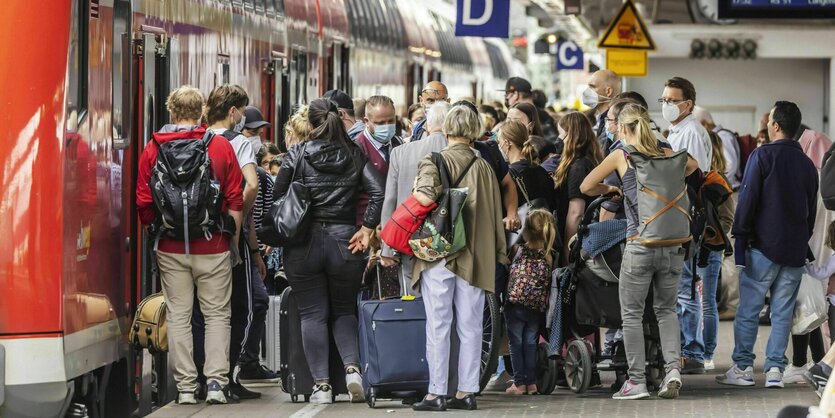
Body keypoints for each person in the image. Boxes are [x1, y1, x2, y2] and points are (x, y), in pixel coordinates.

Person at [581, 103, 698, 400]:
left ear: (622, 128)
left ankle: (636, 381)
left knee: (631, 314)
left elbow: (586, 185)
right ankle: (672, 370)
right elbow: (693, 166)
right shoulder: (668, 152)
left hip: (639, 244)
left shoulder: (621, 156)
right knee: (666, 310)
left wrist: (611, 191)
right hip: (673, 245)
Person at [137, 86, 244, 405]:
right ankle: (215, 383)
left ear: (171, 112)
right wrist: (232, 243)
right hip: (213, 246)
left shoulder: (153, 148)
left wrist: (154, 237)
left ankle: (185, 388)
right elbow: (235, 198)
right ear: (201, 112)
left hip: (170, 247)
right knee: (216, 316)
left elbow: (144, 203)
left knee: (180, 314)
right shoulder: (220, 147)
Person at [274, 98, 385, 404]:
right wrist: (366, 228)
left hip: (303, 245)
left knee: (312, 314)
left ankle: (321, 387)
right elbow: (378, 191)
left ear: (309, 124)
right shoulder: (353, 153)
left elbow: (277, 197)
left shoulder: (296, 154)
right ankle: (352, 370)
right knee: (344, 309)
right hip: (344, 241)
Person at [410, 104, 509, 412]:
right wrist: (498, 254)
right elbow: (494, 214)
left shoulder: (434, 160)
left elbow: (423, 199)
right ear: (475, 131)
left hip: (438, 253)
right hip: (475, 257)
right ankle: (467, 392)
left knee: (439, 324)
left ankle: (436, 392)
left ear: (448, 129)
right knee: (471, 326)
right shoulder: (484, 167)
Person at [717, 101, 819, 388]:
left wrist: (739, 239)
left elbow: (747, 201)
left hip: (761, 248)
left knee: (748, 311)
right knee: (783, 313)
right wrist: (801, 240)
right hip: (794, 249)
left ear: (775, 126)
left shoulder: (761, 156)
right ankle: (775, 371)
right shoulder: (808, 165)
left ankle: (743, 369)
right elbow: (810, 211)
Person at [202, 86, 265, 401]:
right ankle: (227, 375)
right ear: (232, 112)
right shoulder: (239, 142)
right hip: (229, 235)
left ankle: (203, 378)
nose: (243, 117)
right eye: (242, 110)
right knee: (243, 307)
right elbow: (251, 184)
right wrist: (236, 218)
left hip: (198, 235)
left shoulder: (197, 138)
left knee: (204, 310)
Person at [379, 101, 452, 283]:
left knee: (412, 302)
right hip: (453, 245)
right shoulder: (469, 154)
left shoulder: (400, 153)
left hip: (409, 242)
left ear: (427, 126)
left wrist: (387, 248)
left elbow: (390, 201)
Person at [235, 106, 280, 385]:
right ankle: (245, 361)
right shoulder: (256, 177)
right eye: (252, 132)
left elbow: (261, 217)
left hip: (249, 247)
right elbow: (259, 217)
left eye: (259, 132)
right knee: (254, 301)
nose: (257, 139)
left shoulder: (260, 177)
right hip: (244, 246)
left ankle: (244, 362)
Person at [504, 209, 556, 395]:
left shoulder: (517, 250)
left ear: (525, 231)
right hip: (536, 307)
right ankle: (532, 383)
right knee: (530, 343)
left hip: (515, 304)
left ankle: (519, 383)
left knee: (515, 344)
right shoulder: (549, 256)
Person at [553, 112, 603, 261]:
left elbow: (576, 213)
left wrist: (568, 249)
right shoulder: (590, 161)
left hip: (576, 238)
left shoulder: (578, 167)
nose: (559, 139)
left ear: (571, 136)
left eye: (561, 134)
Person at [498, 120, 555, 210]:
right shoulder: (542, 170)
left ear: (507, 143)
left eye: (499, 142)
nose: (499, 146)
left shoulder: (509, 175)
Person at [661, 77, 712, 172]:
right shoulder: (676, 130)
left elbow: (697, 174)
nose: (666, 105)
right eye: (664, 100)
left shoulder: (692, 133)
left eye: (673, 101)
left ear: (688, 104)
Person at [693, 106, 741, 191]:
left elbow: (731, 165)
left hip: (727, 189)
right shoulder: (720, 135)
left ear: (704, 124)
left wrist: (715, 181)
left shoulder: (722, 136)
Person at [502, 77, 558, 144]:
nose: (506, 99)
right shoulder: (543, 114)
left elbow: (553, 145)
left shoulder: (540, 115)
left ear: (515, 95)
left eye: (507, 95)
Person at [581, 69, 622, 155]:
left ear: (608, 91)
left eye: (592, 86)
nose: (587, 91)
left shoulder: (616, 123)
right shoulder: (597, 119)